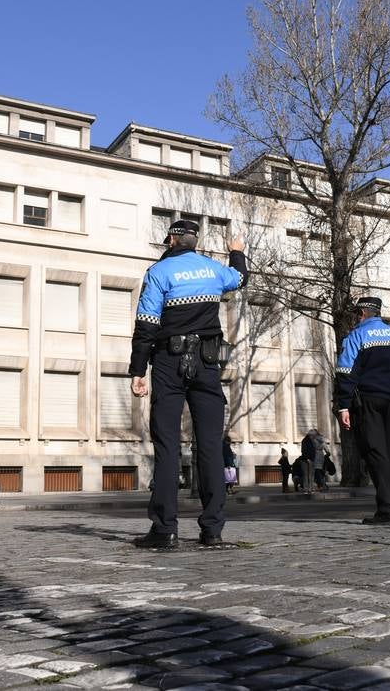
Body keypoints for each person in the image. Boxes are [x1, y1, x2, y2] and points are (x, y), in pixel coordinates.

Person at [129, 219, 248, 550]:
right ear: (195, 241)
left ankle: (165, 529)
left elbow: (146, 325)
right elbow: (240, 278)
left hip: (169, 362)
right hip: (208, 363)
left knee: (167, 445)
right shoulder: (213, 269)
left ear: (171, 239)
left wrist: (138, 370)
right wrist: (236, 252)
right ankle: (212, 531)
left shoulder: (159, 273)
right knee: (210, 446)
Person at [335, 296, 390, 525]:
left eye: (356, 313)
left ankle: (387, 510)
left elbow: (345, 371)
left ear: (362, 313)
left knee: (376, 454)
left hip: (368, 402)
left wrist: (343, 405)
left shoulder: (356, 336)